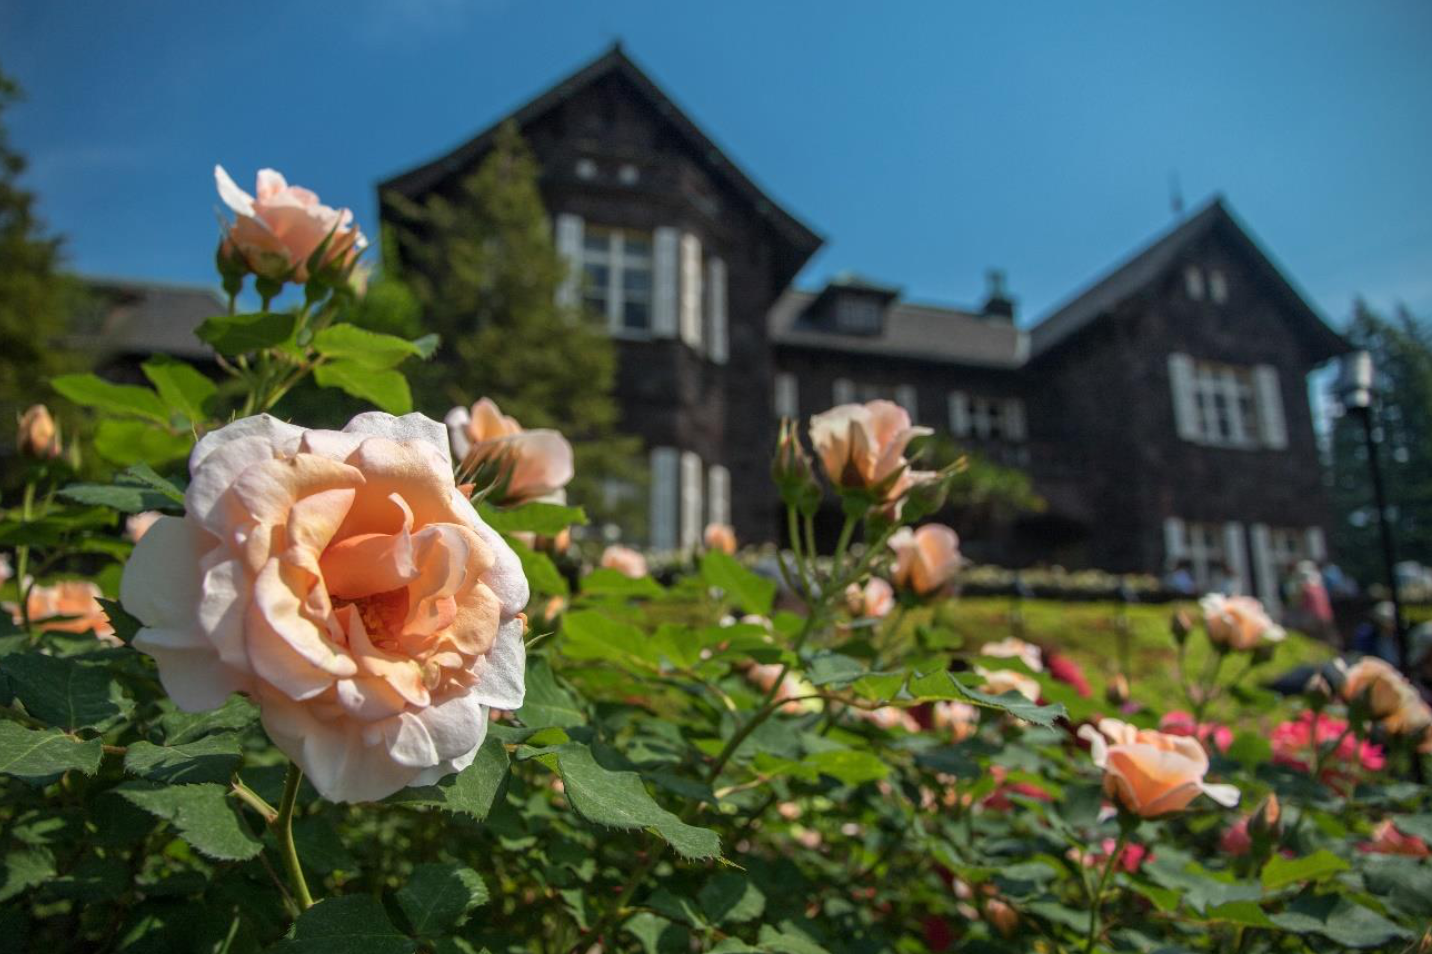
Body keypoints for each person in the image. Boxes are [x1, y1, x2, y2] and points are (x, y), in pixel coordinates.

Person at [1351, 601, 1401, 665]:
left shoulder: (1400, 636)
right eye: (1385, 622)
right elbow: (1360, 657)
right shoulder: (1366, 634)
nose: (1390, 626)